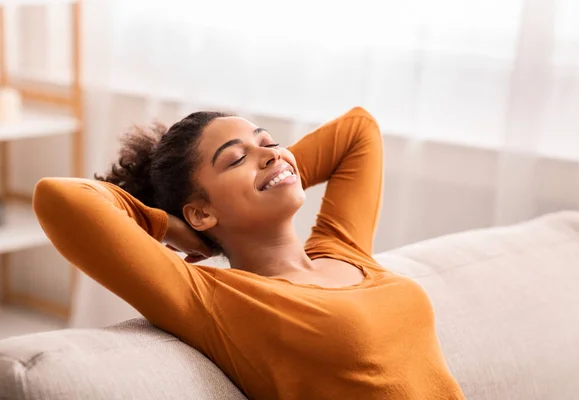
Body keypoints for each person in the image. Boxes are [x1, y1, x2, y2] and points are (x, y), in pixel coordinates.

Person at [33, 107, 465, 399]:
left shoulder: (343, 249)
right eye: (236, 158)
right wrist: (173, 230)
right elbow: (58, 198)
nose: (269, 152)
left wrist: (274, 166)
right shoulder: (216, 298)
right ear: (200, 212)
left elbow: (358, 130)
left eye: (269, 141)